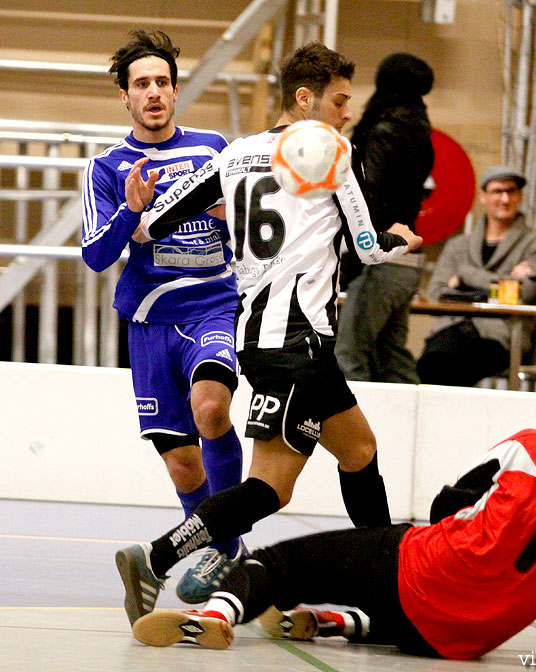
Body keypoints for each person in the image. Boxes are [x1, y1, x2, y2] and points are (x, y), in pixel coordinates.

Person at [113, 42, 423, 627]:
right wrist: (400, 239)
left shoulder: (237, 154)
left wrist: (140, 203)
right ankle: (155, 558)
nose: (346, 112)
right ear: (306, 99)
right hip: (296, 343)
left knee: (359, 451)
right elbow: (367, 246)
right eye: (338, 100)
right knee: (271, 488)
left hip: (261, 336)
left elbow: (155, 222)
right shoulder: (330, 148)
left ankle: (392, 584)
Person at [127, 363, 536, 663]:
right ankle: (339, 622)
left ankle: (215, 619)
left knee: (278, 564)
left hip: (422, 567)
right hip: (472, 638)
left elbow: (446, 505)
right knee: (411, 620)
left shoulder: (528, 447)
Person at [81, 30, 245, 612]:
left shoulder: (212, 151)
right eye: (141, 84)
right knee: (181, 462)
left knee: (213, 409)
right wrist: (131, 209)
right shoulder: (107, 166)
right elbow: (97, 255)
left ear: (176, 91)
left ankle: (227, 543)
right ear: (125, 97)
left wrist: (231, 217)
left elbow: (245, 232)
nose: (153, 93)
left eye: (162, 83)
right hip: (150, 323)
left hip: (211, 306)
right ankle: (228, 545)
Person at [335, 53, 435, 384]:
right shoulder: (420, 128)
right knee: (392, 356)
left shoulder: (384, 131)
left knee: (349, 353)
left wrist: (355, 259)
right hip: (408, 259)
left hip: (382, 255)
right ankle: (412, 433)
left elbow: (372, 199)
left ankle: (359, 435)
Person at [417, 166, 536, 386]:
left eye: (511, 191)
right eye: (497, 191)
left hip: (501, 335)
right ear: (483, 196)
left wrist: (465, 277)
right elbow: (436, 292)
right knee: (427, 367)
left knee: (454, 370)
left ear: (519, 197)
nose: (505, 199)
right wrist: (504, 281)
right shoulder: (460, 245)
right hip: (451, 326)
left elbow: (525, 291)